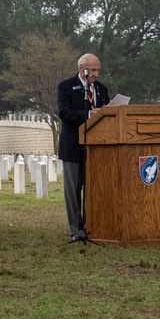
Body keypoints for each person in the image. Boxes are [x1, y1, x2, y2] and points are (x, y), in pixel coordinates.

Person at [57, 53, 110, 241]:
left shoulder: (101, 90)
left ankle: (91, 226)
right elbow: (65, 113)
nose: (96, 74)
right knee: (73, 190)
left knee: (92, 188)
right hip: (72, 145)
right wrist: (88, 114)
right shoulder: (66, 87)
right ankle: (75, 229)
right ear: (82, 69)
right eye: (93, 70)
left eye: (98, 70)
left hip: (95, 148)